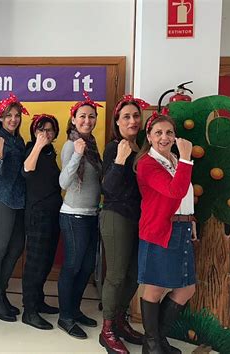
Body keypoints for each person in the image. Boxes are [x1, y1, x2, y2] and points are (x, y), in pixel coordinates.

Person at [134, 111, 196, 354]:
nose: (164, 137)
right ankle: (152, 344)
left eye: (169, 132)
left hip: (181, 227)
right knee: (155, 288)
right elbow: (174, 191)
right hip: (159, 229)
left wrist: (191, 219)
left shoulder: (174, 159)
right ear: (149, 137)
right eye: (158, 132)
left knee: (186, 287)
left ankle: (158, 340)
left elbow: (185, 195)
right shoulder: (147, 164)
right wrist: (187, 158)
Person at [98, 95, 149, 353]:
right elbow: (107, 188)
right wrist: (119, 160)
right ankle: (107, 330)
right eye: (126, 116)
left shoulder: (143, 148)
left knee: (133, 274)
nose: (132, 120)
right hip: (116, 216)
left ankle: (119, 319)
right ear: (117, 122)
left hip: (138, 218)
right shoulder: (113, 147)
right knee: (116, 275)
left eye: (136, 116)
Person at [58, 92, 103, 339]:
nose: (87, 120)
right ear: (74, 119)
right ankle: (65, 317)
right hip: (73, 215)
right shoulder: (70, 145)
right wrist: (76, 153)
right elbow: (64, 181)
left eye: (91, 116)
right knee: (73, 265)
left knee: (86, 267)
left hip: (91, 214)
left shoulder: (93, 145)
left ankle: (74, 311)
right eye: (82, 116)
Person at [0, 93, 27, 322]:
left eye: (16, 115)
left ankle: (0, 293)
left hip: (19, 200)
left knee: (16, 248)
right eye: (8, 116)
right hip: (1, 200)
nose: (13, 119)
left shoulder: (18, 140)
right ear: (0, 118)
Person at [21, 114, 62, 330]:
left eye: (50, 130)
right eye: (42, 129)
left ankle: (38, 300)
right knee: (35, 264)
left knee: (46, 262)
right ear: (34, 132)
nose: (46, 133)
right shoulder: (32, 149)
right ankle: (29, 310)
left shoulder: (50, 152)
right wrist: (37, 144)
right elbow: (27, 170)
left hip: (53, 214)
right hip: (38, 215)